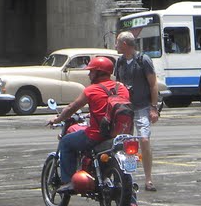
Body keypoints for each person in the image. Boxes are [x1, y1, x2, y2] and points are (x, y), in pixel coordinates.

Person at [48, 56, 129, 195]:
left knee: (66, 142)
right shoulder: (121, 88)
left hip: (97, 135)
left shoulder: (91, 90)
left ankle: (68, 182)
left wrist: (57, 119)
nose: (89, 74)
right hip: (119, 134)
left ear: (98, 72)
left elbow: (71, 108)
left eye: (91, 71)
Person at [114, 31, 160, 192]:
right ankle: (127, 177)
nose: (116, 46)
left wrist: (154, 108)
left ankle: (148, 179)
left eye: (117, 43)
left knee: (144, 140)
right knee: (125, 143)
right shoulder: (119, 62)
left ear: (125, 45)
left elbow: (153, 84)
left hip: (142, 107)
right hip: (125, 108)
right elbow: (117, 85)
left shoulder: (143, 60)